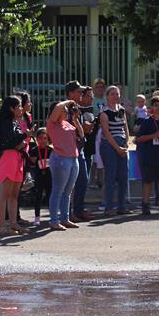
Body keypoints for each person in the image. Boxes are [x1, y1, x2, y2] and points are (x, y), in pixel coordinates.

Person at [0, 95, 30, 236]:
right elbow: (10, 142)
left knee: (14, 194)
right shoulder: (5, 123)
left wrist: (21, 142)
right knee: (5, 193)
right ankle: (2, 226)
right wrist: (24, 137)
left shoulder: (14, 122)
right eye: (19, 106)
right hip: (8, 158)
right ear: (11, 108)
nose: (21, 109)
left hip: (17, 158)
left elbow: (18, 143)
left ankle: (14, 223)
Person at [46, 97, 83, 231]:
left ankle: (65, 219)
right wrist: (69, 101)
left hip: (73, 158)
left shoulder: (67, 123)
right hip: (61, 158)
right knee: (58, 190)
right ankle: (54, 221)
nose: (67, 111)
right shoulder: (52, 123)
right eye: (64, 110)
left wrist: (76, 119)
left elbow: (81, 135)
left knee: (67, 191)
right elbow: (57, 109)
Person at [98, 85, 131, 215]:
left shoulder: (121, 109)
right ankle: (109, 207)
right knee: (110, 177)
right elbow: (106, 133)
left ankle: (122, 206)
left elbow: (126, 128)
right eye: (112, 94)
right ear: (107, 96)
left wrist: (126, 144)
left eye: (117, 94)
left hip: (122, 143)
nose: (115, 96)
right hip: (109, 145)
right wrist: (117, 148)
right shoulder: (104, 112)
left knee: (123, 176)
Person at [66, 81, 95, 222]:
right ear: (71, 93)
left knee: (83, 180)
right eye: (79, 91)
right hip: (70, 150)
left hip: (80, 149)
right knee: (70, 184)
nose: (81, 94)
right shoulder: (65, 109)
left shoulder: (78, 107)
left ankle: (78, 209)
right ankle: (68, 213)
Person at [28, 127, 53, 226]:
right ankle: (37, 217)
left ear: (48, 139)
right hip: (39, 176)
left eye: (45, 138)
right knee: (38, 196)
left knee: (50, 196)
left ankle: (52, 215)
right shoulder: (34, 150)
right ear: (37, 139)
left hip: (50, 175)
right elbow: (32, 161)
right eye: (40, 138)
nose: (42, 140)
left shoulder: (51, 150)